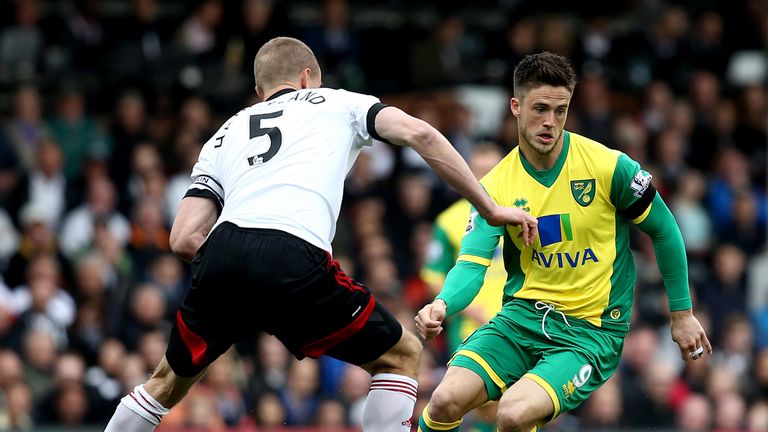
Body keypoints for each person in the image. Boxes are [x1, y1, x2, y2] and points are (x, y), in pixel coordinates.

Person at [103, 36, 537, 432]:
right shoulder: (335, 102)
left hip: (223, 252)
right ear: (308, 77)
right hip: (292, 250)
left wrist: (242, 284)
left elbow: (182, 238)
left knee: (163, 384)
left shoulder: (226, 131)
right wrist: (488, 206)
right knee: (400, 355)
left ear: (260, 91)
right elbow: (420, 133)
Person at [415, 52, 711, 432]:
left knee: (513, 413)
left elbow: (665, 230)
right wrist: (442, 303)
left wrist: (682, 314)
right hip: (520, 319)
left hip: (590, 331)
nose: (550, 122)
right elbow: (472, 264)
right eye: (540, 109)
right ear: (516, 107)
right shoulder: (495, 187)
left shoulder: (609, 167)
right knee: (443, 401)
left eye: (560, 110)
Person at [420, 143, 506, 430]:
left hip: (516, 321)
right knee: (475, 402)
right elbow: (433, 275)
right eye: (480, 171)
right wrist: (469, 310)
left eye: (493, 170)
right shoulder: (449, 220)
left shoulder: (520, 211)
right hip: (472, 328)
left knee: (513, 404)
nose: (487, 177)